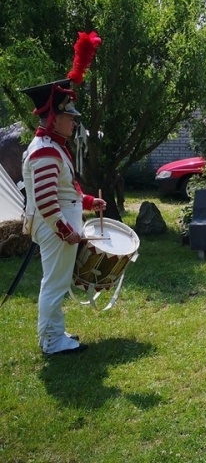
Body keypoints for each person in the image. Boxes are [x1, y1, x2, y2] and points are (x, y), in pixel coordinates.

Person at [20, 31, 106, 355]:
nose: (74, 123)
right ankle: (52, 341)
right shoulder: (45, 150)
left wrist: (87, 202)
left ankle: (54, 334)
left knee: (54, 282)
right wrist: (65, 230)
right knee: (54, 285)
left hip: (57, 227)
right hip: (56, 229)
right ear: (54, 117)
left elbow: (63, 191)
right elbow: (46, 200)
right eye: (69, 117)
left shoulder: (51, 147)